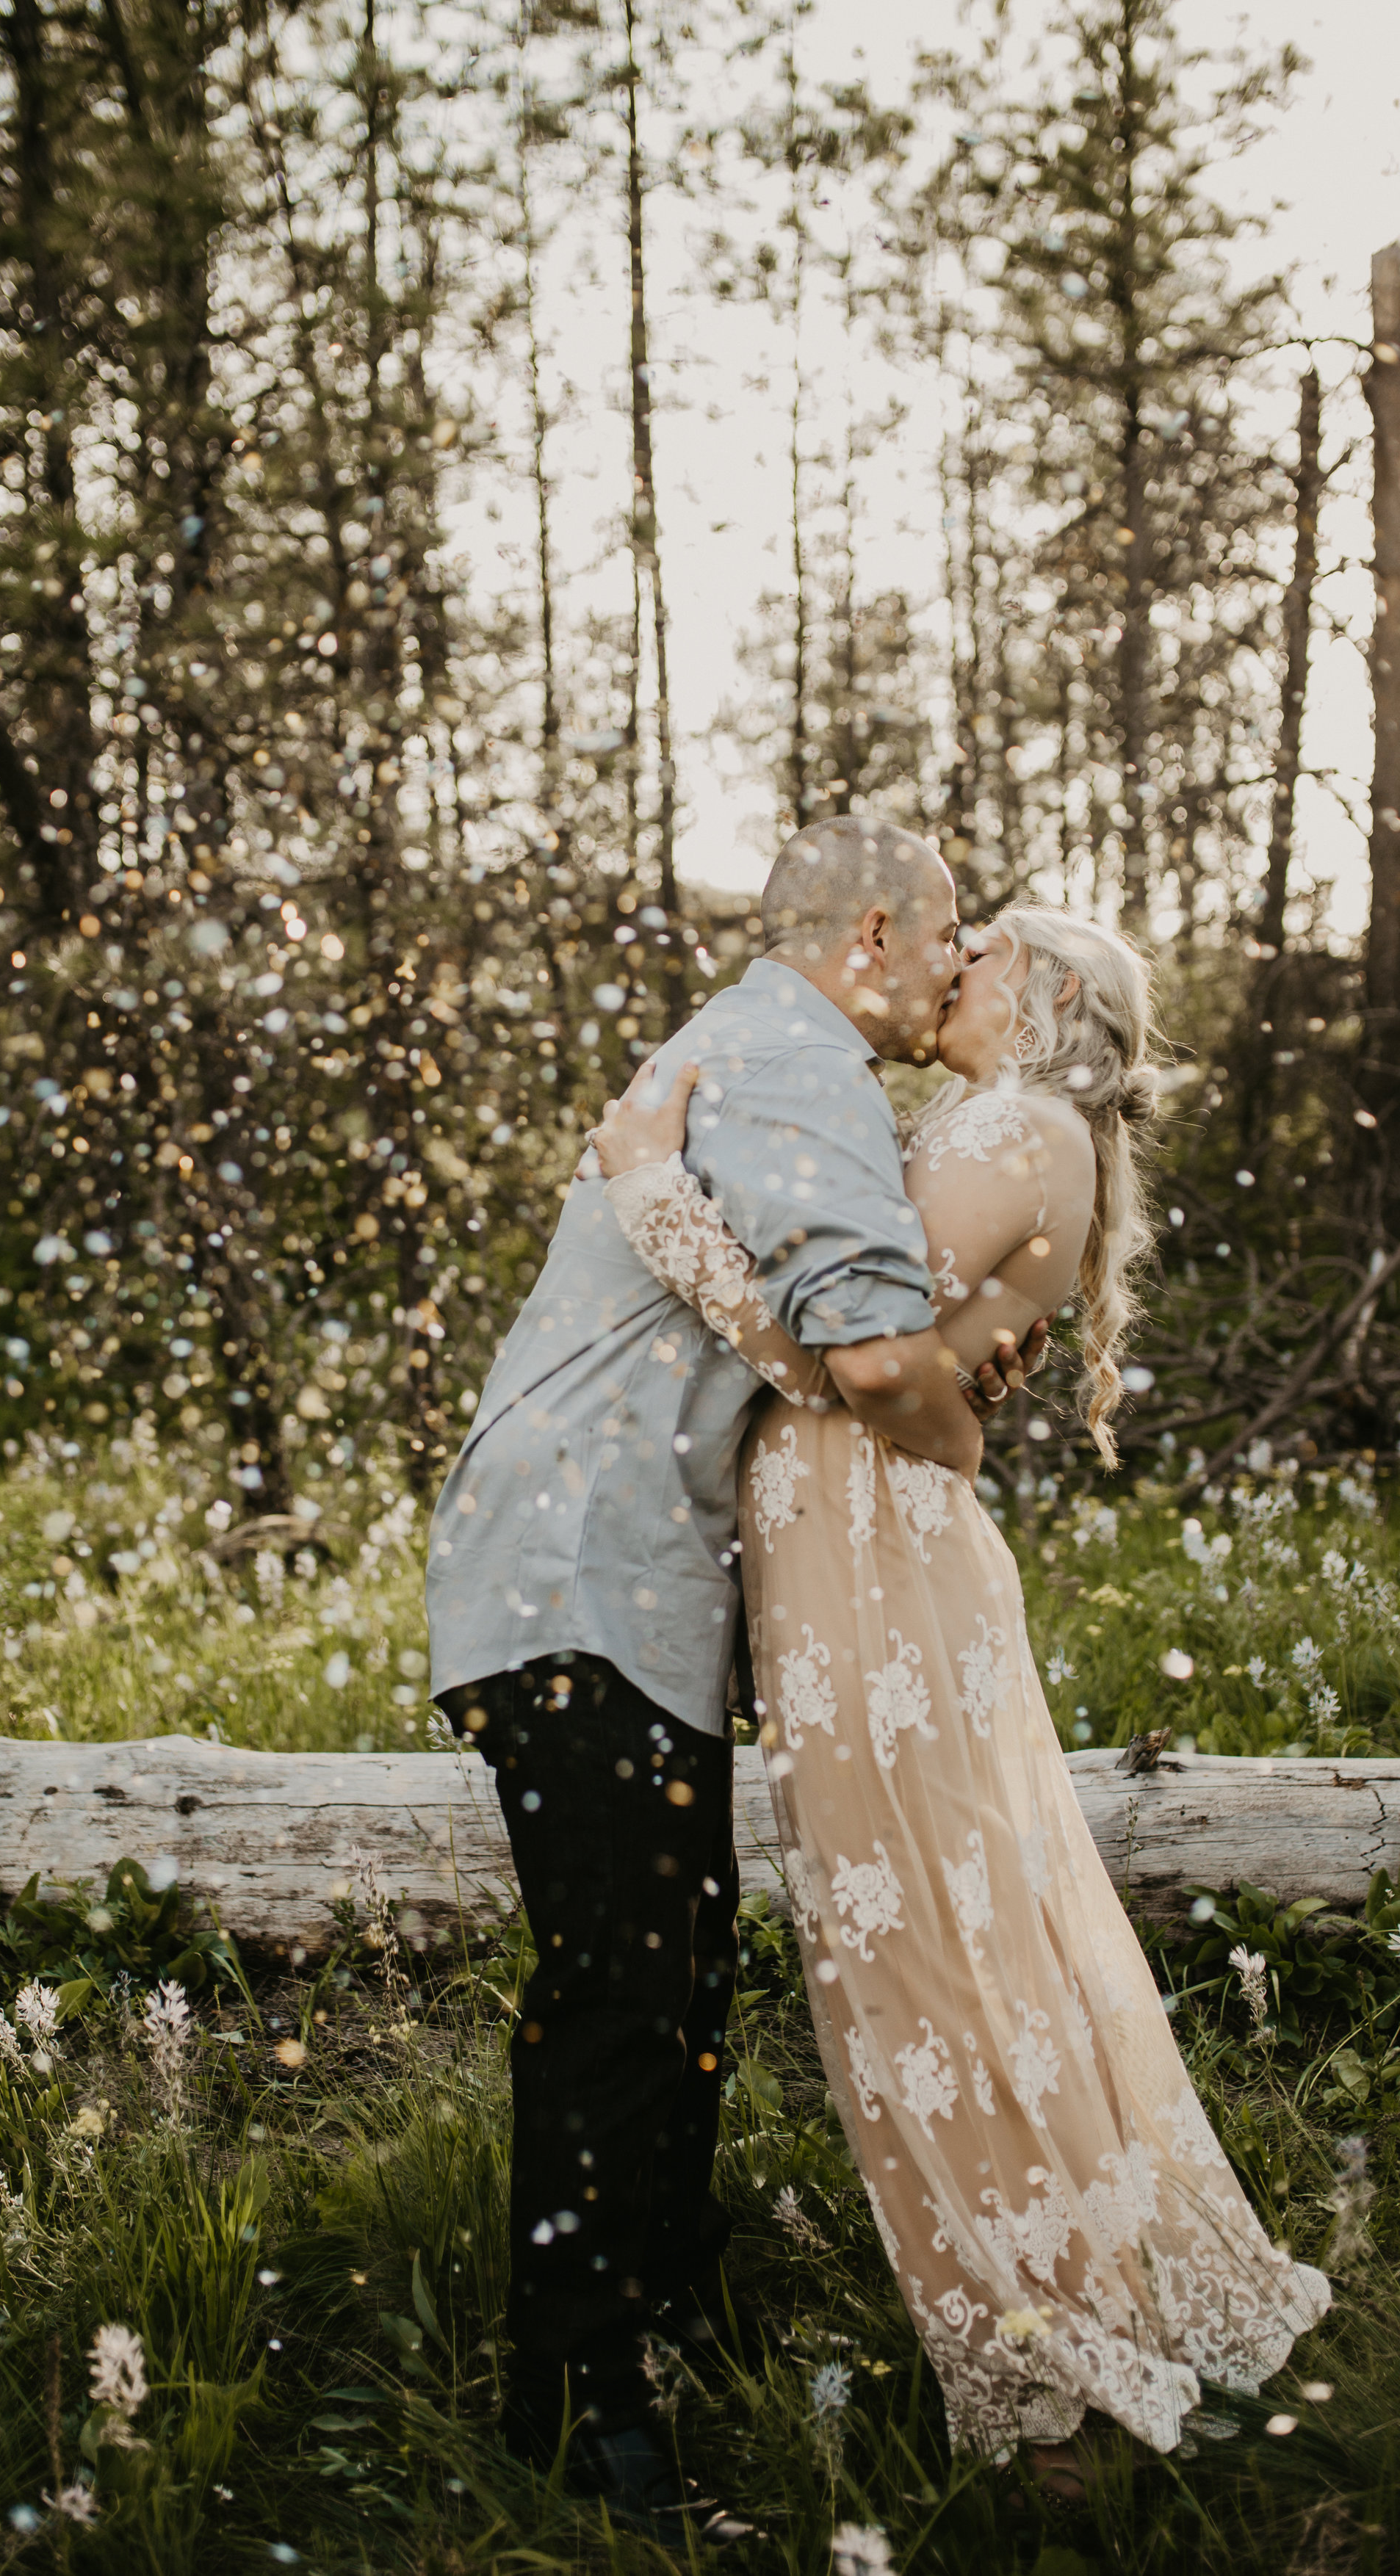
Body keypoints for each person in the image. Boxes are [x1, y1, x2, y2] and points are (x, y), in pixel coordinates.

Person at [589, 899, 1332, 2500]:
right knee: (946, 1940)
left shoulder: (1013, 1118)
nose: (950, 958)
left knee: (921, 1954)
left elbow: (846, 1342)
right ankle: (1067, 2314)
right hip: (859, 1543)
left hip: (870, 1552)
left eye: (984, 941)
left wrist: (654, 1189)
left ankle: (1053, 2376)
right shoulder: (1016, 1127)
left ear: (1049, 987)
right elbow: (893, 1338)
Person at [425, 816, 1038, 2543]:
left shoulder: (745, 1043)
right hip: (577, 1580)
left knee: (677, 1970)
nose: (951, 964)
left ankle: (665, 2309)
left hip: (605, 1582)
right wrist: (952, 1415)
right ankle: (572, 2404)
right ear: (872, 930)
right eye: (944, 935)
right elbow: (862, 1347)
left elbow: (832, 1313)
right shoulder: (797, 1055)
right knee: (624, 1987)